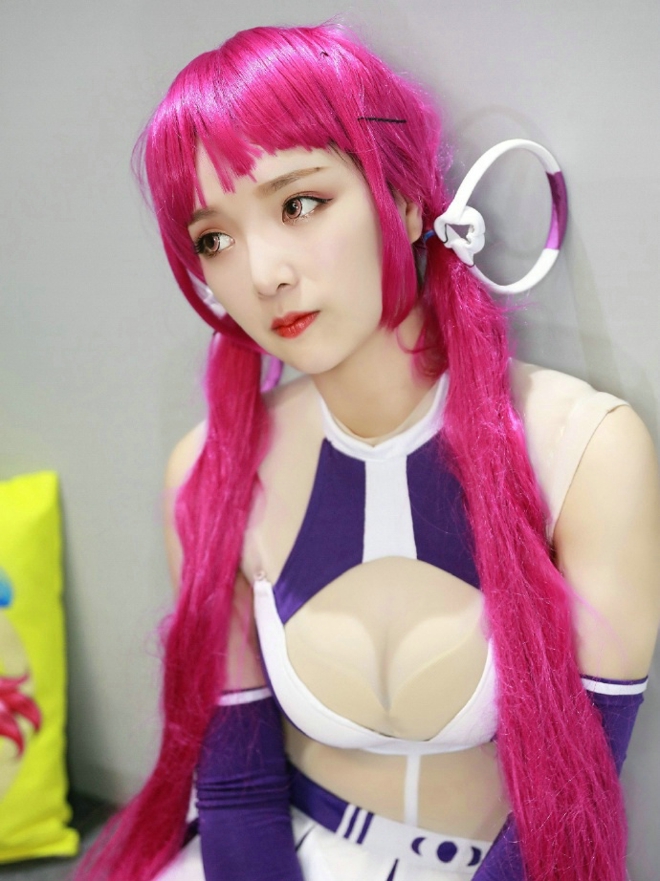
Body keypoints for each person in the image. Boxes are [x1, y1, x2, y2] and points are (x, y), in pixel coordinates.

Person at [79, 23, 660, 881]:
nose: (262, 274)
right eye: (214, 239)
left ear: (408, 200)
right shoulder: (212, 471)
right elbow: (236, 786)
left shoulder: (584, 450)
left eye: (298, 204)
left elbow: (571, 803)